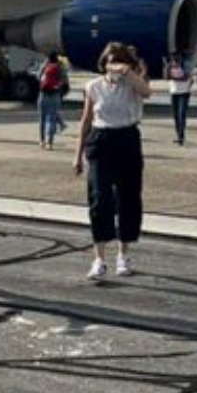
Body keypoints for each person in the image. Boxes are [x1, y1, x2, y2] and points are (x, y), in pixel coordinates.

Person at [73, 42, 151, 280]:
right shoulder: (94, 86)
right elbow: (86, 120)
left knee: (128, 198)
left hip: (126, 138)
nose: (114, 66)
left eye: (119, 61)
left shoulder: (133, 84)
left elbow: (146, 92)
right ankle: (99, 257)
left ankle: (123, 254)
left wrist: (129, 72)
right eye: (110, 62)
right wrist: (77, 155)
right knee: (100, 197)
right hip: (101, 139)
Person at [38, 51, 66, 149]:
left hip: (43, 94)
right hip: (54, 95)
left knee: (42, 119)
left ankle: (42, 141)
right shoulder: (60, 66)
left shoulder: (45, 65)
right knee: (52, 119)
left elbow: (39, 76)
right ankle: (50, 143)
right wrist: (57, 87)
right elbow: (64, 80)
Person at [164, 52, 192, 145]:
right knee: (175, 116)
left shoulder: (186, 64)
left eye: (176, 57)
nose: (174, 59)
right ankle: (178, 135)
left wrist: (174, 76)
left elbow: (185, 77)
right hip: (174, 92)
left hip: (184, 92)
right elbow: (166, 77)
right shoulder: (170, 65)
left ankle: (181, 136)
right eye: (172, 57)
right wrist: (168, 67)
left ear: (180, 57)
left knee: (182, 114)